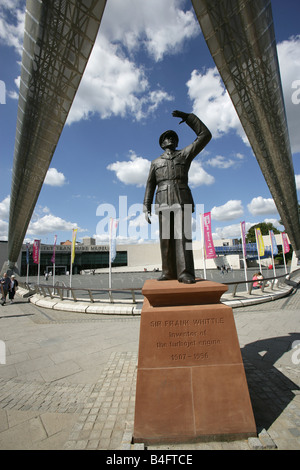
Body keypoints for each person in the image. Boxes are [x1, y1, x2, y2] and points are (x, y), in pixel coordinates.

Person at [143, 110, 212, 283]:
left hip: (182, 199)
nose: (171, 139)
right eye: (167, 138)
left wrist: (189, 118)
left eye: (173, 137)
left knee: (183, 238)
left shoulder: (184, 154)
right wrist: (146, 206)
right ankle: (168, 272)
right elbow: (150, 184)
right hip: (163, 201)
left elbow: (205, 135)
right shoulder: (155, 163)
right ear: (162, 144)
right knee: (166, 239)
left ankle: (185, 273)